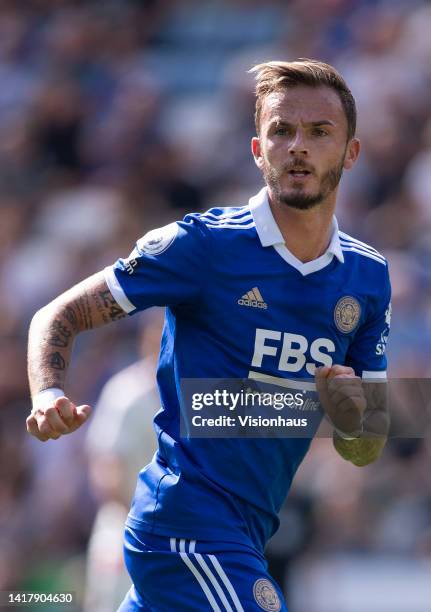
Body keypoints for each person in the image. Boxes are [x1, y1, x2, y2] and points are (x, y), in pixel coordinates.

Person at [27, 59, 391, 611]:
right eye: (281, 130)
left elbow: (365, 446)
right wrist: (48, 391)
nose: (298, 146)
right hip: (182, 528)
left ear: (350, 153)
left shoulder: (368, 278)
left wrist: (350, 417)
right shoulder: (201, 246)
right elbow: (57, 315)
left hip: (245, 537)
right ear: (256, 149)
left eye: (319, 133)